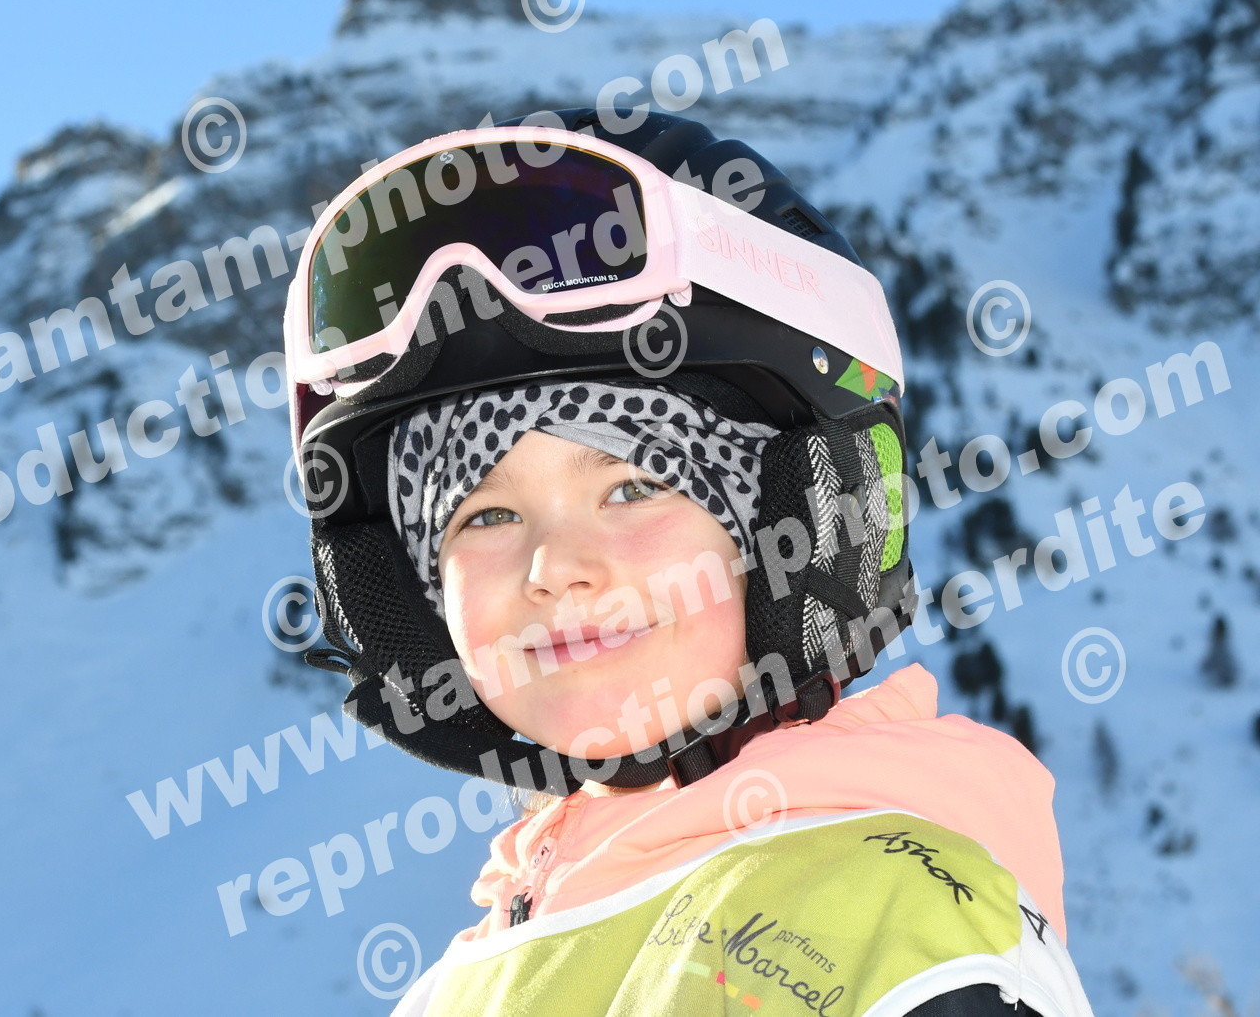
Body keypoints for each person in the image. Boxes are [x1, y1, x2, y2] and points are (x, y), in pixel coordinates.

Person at [281, 107, 1094, 1015]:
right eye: (487, 514)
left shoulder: (901, 942)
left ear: (805, 521)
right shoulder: (458, 985)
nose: (554, 566)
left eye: (634, 487)